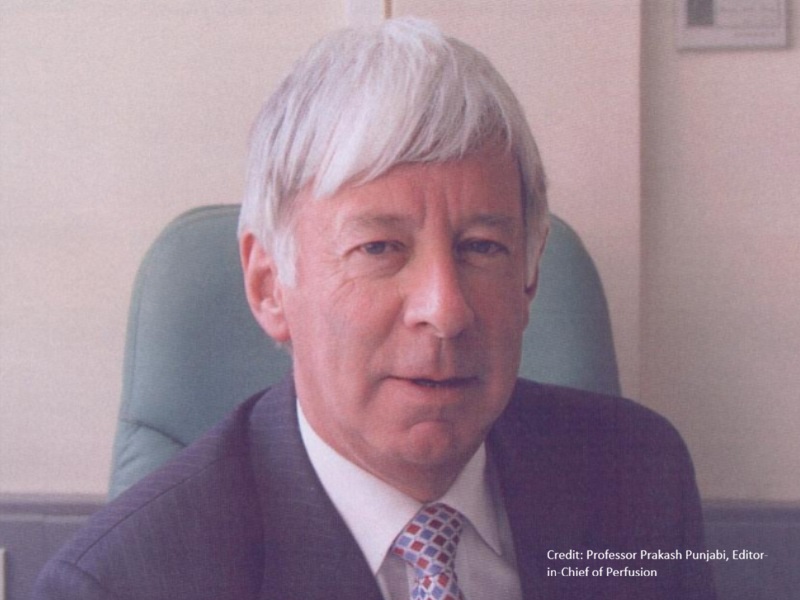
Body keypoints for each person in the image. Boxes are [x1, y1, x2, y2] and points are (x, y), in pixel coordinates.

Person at [34, 18, 716, 600]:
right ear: (270, 286)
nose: (445, 310)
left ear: (530, 278)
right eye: (380, 247)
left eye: (483, 247)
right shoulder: (122, 584)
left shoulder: (635, 475)